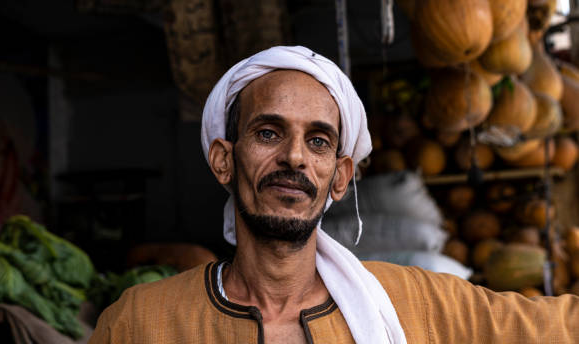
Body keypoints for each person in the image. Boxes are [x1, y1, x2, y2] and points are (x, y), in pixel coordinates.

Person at [89, 46, 579, 344]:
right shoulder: (139, 323)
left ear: (340, 177)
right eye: (267, 133)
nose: (295, 158)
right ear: (223, 160)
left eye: (318, 141)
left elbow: (555, 328)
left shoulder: (414, 304)